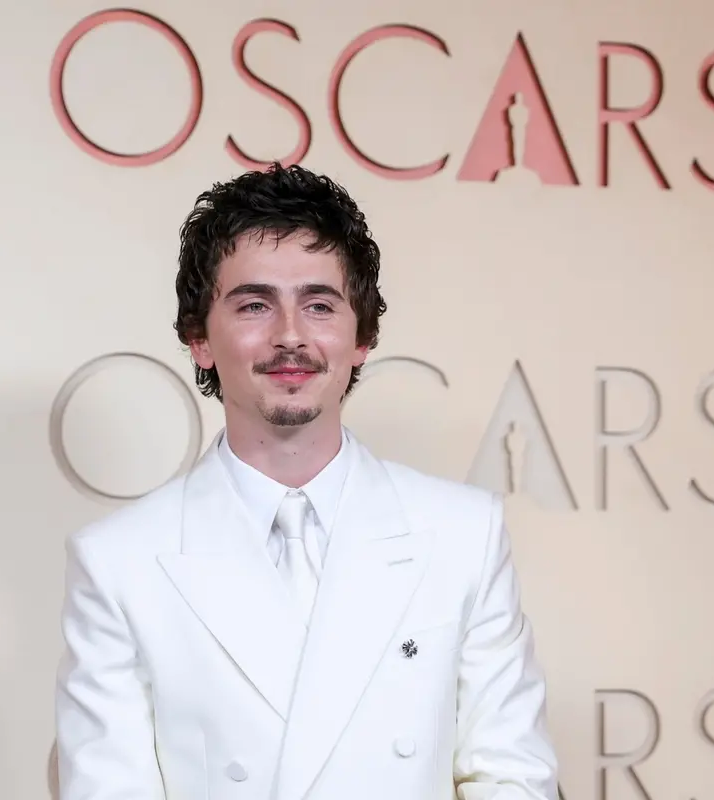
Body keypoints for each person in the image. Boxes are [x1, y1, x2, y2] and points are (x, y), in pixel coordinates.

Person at [53, 164, 559, 800]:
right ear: (198, 338)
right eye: (255, 305)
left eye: (319, 305)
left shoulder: (463, 533)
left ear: (362, 337)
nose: (290, 336)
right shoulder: (118, 561)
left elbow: (513, 778)